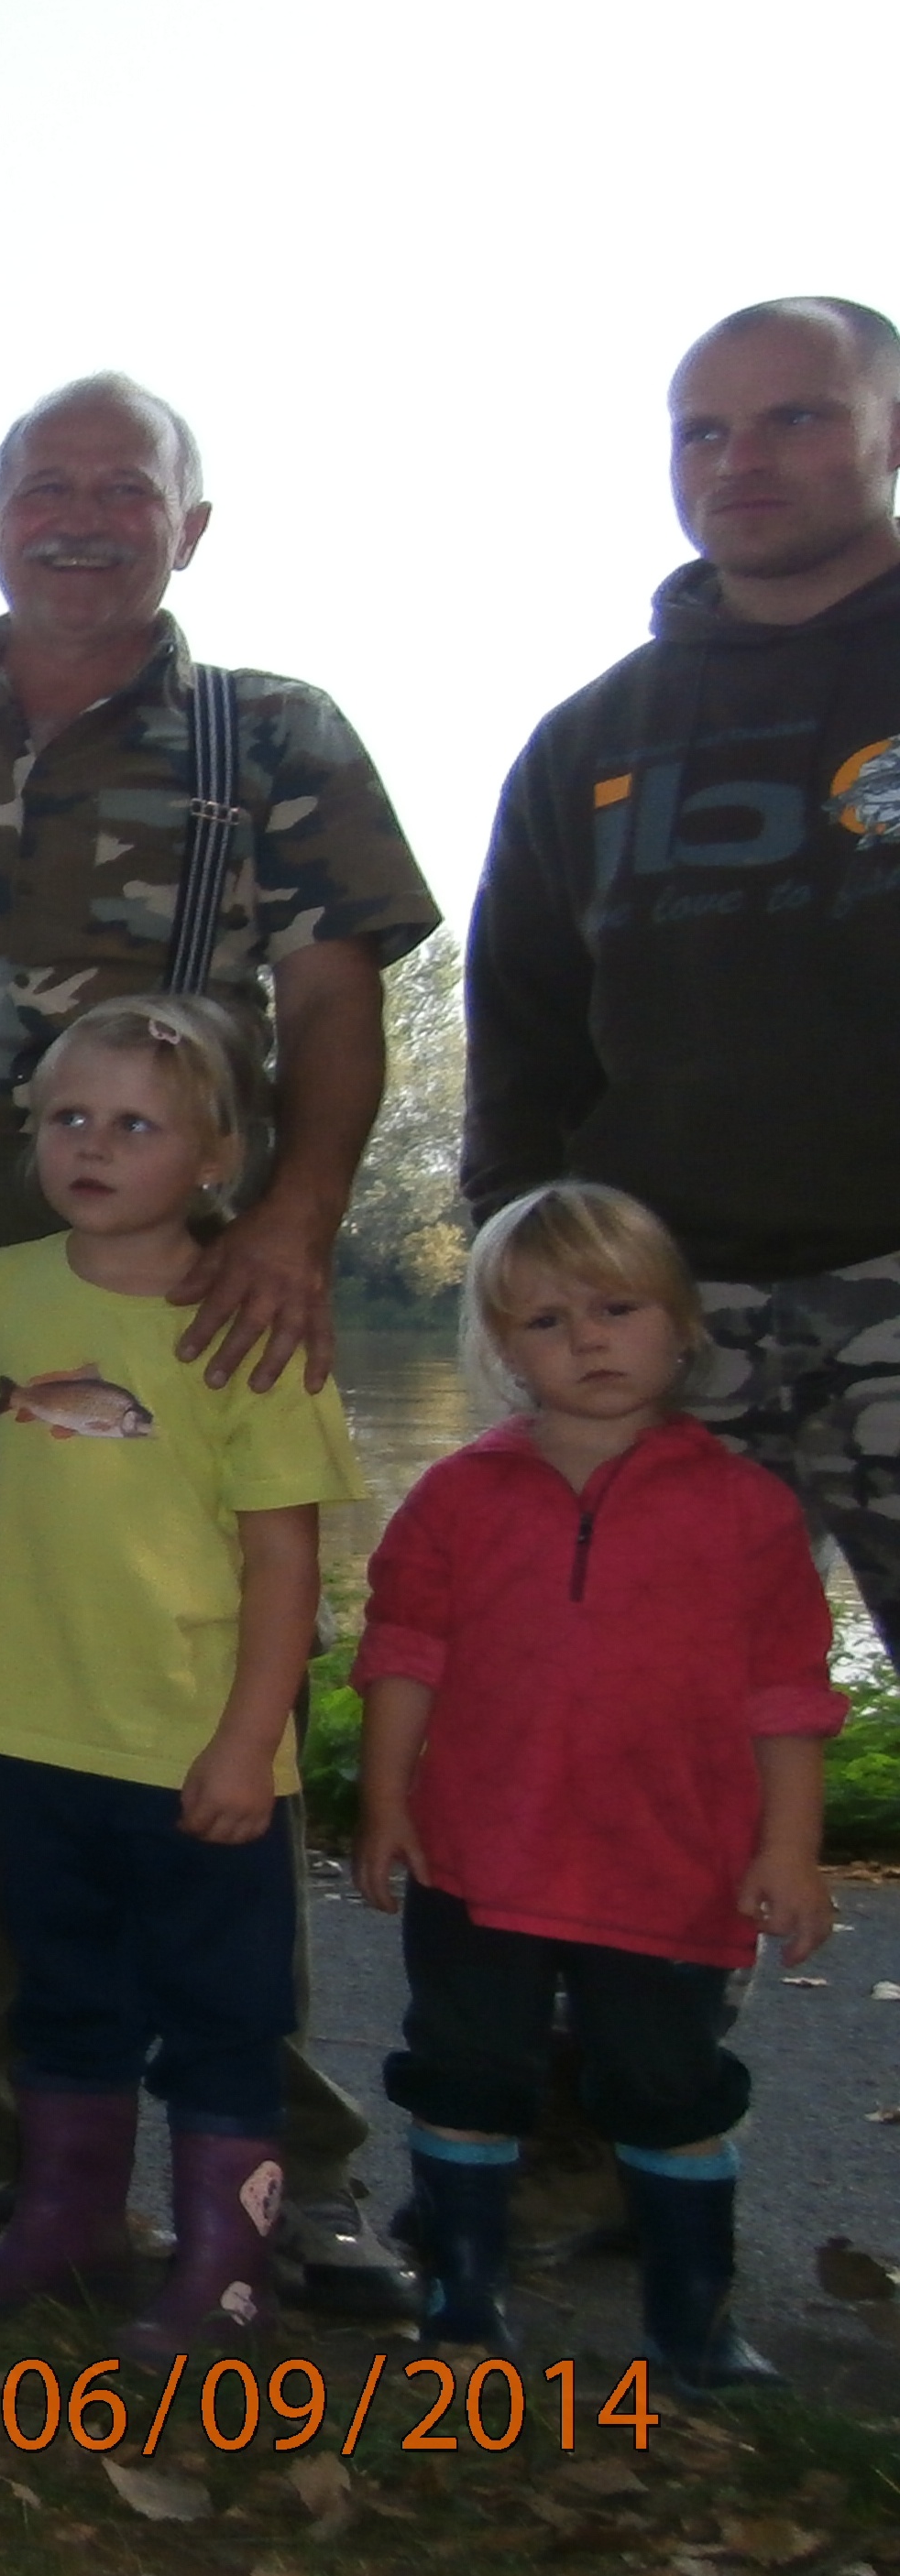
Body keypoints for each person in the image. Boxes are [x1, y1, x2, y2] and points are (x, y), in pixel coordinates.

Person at [0, 372, 439, 2300]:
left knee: (212, 1644)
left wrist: (292, 1222)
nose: (76, 516)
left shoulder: (273, 732)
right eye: (39, 487)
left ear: (186, 527)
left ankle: (276, 2150)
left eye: (120, 488)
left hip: (203, 1233)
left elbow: (333, 1004)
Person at [0, 998, 367, 2356]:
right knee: (64, 1992)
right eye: (69, 1118)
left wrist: (248, 1742)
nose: (92, 1146)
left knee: (223, 2015)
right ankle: (68, 2226)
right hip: (28, 1728)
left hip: (192, 1748)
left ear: (217, 1158)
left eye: (136, 1125)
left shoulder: (252, 1320)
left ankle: (228, 2267)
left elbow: (285, 1561)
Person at [465, 295, 900, 1675]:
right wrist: (530, 1277)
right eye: (702, 431)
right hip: (665, 1319)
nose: (739, 460)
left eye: (795, 417)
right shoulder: (589, 739)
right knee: (657, 1717)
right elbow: (522, 1041)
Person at [350, 1182, 842, 2394]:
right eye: (546, 1321)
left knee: (672, 2089)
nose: (587, 1340)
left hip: (672, 1868)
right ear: (500, 1348)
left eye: (617, 1309)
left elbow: (788, 1695)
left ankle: (693, 2323)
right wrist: (386, 1800)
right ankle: (462, 2301)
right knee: (464, 2073)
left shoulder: (747, 1510)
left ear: (682, 1325)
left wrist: (789, 1849)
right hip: (480, 1858)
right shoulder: (456, 1496)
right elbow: (404, 1653)